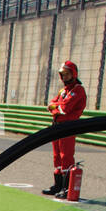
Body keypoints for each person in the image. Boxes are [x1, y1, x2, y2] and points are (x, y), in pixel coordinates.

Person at [43, 60, 87, 198]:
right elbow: (51, 104)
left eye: (67, 74)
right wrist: (55, 107)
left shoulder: (78, 90)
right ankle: (57, 185)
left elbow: (65, 109)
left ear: (73, 74)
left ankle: (67, 188)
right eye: (63, 75)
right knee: (57, 157)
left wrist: (55, 107)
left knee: (66, 156)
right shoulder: (63, 91)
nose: (65, 77)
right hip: (57, 126)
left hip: (68, 127)